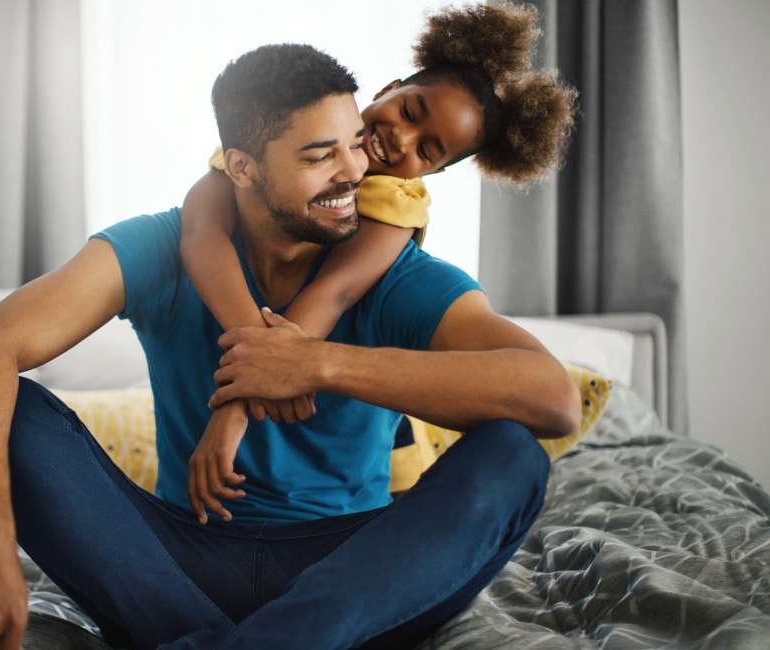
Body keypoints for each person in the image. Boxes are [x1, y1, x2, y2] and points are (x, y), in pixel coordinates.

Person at [0, 43, 581, 650]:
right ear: (241, 165)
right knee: (8, 406)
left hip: (354, 581)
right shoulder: (170, 240)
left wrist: (316, 363)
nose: (358, 166)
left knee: (513, 456)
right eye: (321, 154)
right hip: (174, 563)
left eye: (354, 147)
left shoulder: (398, 270)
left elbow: (553, 398)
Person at [179, 2, 577, 521]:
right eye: (410, 112)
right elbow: (200, 231)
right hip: (279, 356)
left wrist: (234, 410)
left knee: (395, 487)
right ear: (389, 88)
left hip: (380, 444)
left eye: (428, 151)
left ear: (430, 172)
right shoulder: (272, 147)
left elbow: (334, 292)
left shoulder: (395, 205)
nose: (400, 140)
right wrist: (256, 363)